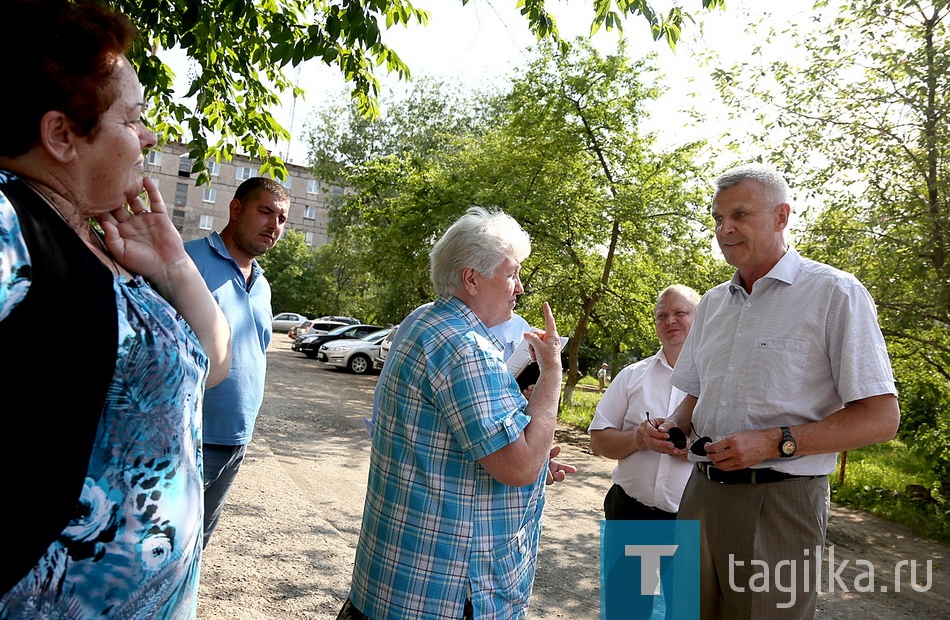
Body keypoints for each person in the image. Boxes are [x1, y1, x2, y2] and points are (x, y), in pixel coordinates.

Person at [0, 0, 231, 618]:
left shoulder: (98, 239)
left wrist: (173, 269)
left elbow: (208, 365)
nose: (150, 135)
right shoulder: (12, 223)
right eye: (133, 120)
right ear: (61, 135)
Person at [645, 163, 900, 620]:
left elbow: (880, 418)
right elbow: (694, 396)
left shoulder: (835, 292)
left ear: (781, 216)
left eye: (740, 215)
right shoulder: (714, 304)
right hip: (700, 495)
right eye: (718, 218)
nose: (725, 229)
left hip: (780, 502)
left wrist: (773, 441)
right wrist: (675, 425)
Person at [338, 206, 572, 620]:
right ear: (471, 278)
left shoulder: (424, 322)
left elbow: (457, 446)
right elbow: (517, 467)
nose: (519, 288)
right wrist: (551, 369)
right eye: (512, 274)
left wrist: (534, 461)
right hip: (444, 591)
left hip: (397, 580)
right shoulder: (467, 347)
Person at [184, 177, 290, 547]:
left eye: (281, 219)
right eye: (265, 212)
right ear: (236, 209)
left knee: (198, 546)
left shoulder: (262, 283)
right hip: (189, 437)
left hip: (236, 441)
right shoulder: (187, 261)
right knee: (165, 545)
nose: (273, 226)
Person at [588, 284, 700, 521]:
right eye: (662, 315)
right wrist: (639, 439)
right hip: (629, 512)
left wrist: (695, 451)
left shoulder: (718, 380)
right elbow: (597, 442)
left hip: (693, 520)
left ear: (701, 319)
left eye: (680, 313)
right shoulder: (631, 376)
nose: (670, 321)